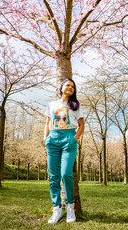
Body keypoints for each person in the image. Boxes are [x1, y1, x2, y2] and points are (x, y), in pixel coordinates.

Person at [44, 78, 85, 224]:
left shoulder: (75, 105)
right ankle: (56, 210)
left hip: (69, 138)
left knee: (66, 174)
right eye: (67, 85)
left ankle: (70, 207)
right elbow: (48, 122)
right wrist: (46, 138)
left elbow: (81, 125)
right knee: (54, 177)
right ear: (61, 87)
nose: (70, 88)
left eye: (73, 87)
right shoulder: (52, 104)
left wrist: (74, 139)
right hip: (53, 139)